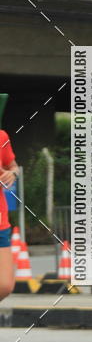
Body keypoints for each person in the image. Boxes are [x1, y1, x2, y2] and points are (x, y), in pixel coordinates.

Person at [0, 129, 18, 302]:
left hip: (0, 221)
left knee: (4, 285)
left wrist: (12, 173)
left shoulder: (2, 137)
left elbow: (13, 166)